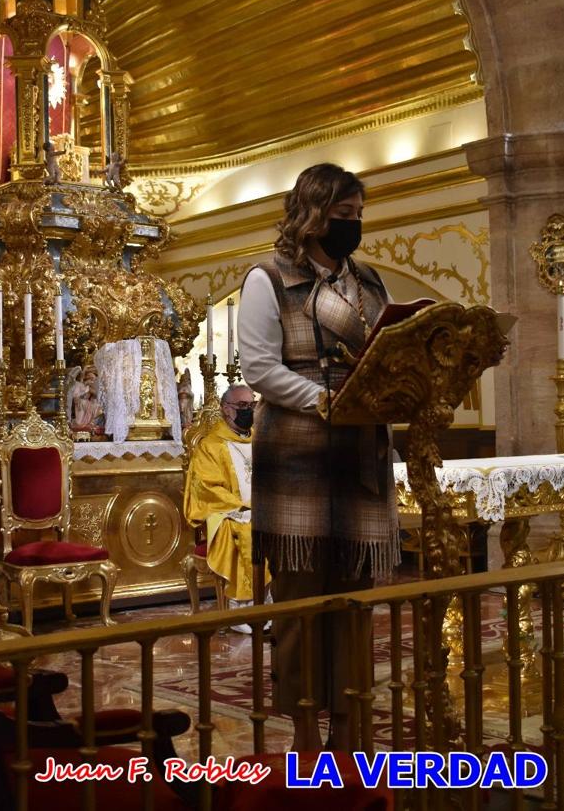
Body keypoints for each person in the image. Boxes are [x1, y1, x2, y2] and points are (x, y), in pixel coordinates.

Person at [238, 162, 400, 750]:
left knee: (353, 608)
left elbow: (387, 353)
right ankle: (307, 737)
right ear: (310, 215)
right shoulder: (268, 277)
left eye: (358, 216)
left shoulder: (372, 283)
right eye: (342, 216)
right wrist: (322, 399)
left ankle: (351, 737)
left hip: (359, 455)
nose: (353, 226)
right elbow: (259, 367)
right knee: (302, 610)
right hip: (300, 456)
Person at [183, 384, 271, 633]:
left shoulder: (261, 439)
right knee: (245, 530)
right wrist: (243, 506)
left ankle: (265, 600)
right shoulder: (211, 445)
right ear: (225, 409)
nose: (248, 411)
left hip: (260, 509)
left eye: (252, 406)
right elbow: (207, 487)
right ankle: (240, 605)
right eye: (242, 406)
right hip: (224, 513)